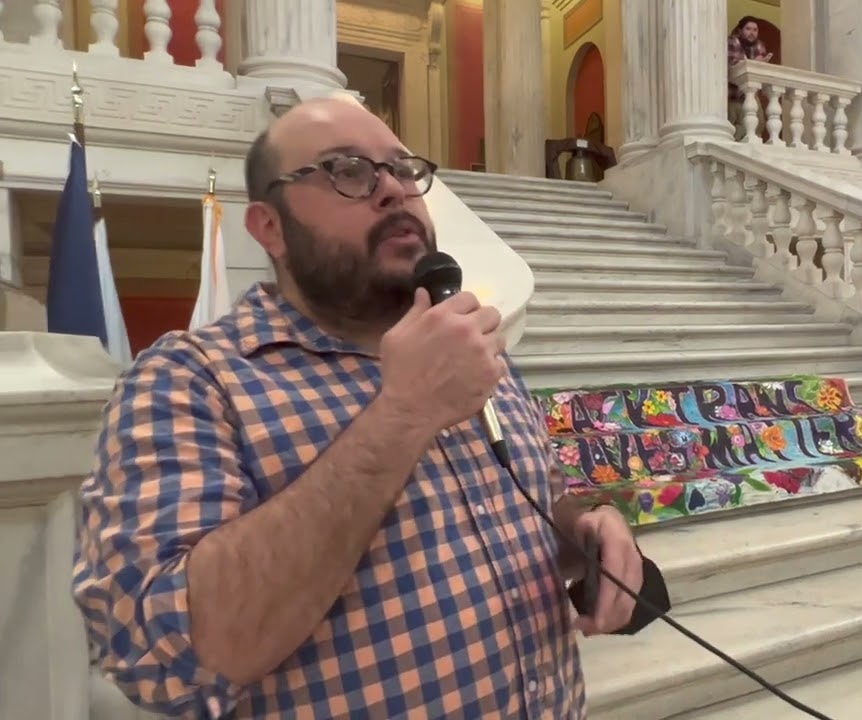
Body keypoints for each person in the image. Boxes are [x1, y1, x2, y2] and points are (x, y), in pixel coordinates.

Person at [71, 97, 644, 719]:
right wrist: (402, 414)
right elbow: (166, 660)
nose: (394, 190)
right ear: (270, 227)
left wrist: (583, 528)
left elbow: (537, 494)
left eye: (404, 169)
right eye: (348, 170)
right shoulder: (190, 381)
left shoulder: (474, 348)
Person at [727, 16, 773, 140]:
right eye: (748, 29)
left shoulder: (759, 45)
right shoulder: (732, 42)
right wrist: (753, 63)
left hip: (750, 95)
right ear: (741, 30)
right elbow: (732, 66)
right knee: (731, 128)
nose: (752, 33)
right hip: (732, 95)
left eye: (755, 30)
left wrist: (762, 64)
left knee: (757, 125)